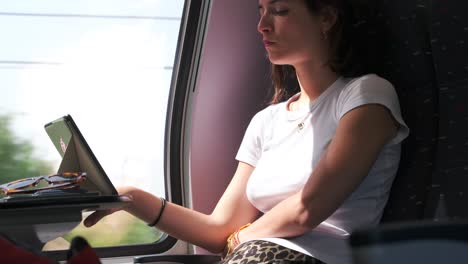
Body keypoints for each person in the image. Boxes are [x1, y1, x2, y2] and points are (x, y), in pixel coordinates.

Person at [84, 0, 409, 263]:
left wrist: (241, 239)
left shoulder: (367, 95)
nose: (262, 25)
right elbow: (219, 230)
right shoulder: (266, 122)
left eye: (280, 11)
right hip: (254, 255)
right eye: (261, 11)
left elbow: (306, 210)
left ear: (325, 18)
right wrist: (131, 198)